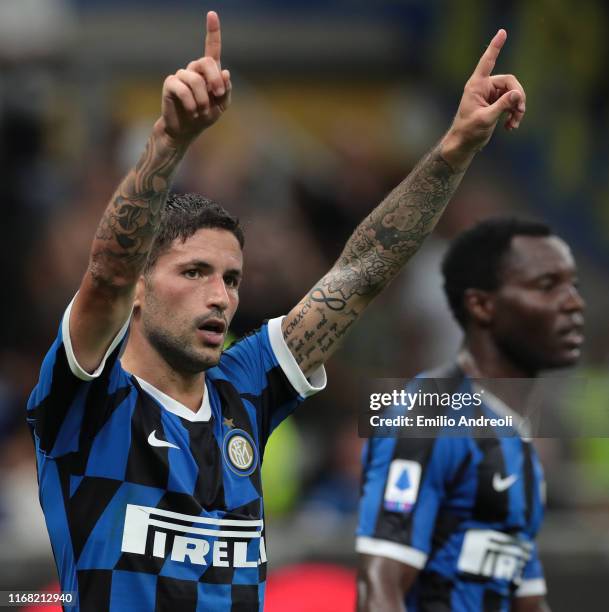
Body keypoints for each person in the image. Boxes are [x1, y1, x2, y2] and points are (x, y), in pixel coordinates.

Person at [27, 11, 526, 611]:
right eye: (194, 272)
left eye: (232, 278)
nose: (221, 296)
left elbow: (361, 271)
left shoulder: (245, 388)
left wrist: (457, 146)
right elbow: (106, 272)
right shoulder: (91, 401)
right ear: (140, 289)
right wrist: (169, 139)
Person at [356, 218, 585, 612]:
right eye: (547, 286)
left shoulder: (517, 440)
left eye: (573, 285)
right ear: (481, 305)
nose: (573, 302)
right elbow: (380, 586)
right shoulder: (429, 414)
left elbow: (525, 600)